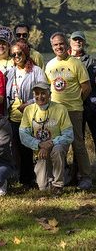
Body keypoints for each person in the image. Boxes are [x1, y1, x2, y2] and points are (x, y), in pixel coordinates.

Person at [45, 32, 92, 190]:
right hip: (56, 112)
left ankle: (85, 177)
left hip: (74, 110)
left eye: (61, 44)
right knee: (58, 145)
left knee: (78, 144)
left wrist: (77, 100)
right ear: (52, 47)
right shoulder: (50, 65)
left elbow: (86, 87)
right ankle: (61, 176)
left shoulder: (76, 63)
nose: (59, 47)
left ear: (66, 44)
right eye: (55, 45)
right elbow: (47, 89)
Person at [19, 82, 74, 194]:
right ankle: (54, 176)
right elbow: (23, 135)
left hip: (55, 147)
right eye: (37, 94)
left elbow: (69, 135)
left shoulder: (60, 109)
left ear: (50, 94)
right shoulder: (28, 110)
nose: (40, 97)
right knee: (43, 187)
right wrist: (39, 144)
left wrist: (50, 143)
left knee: (58, 149)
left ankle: (58, 184)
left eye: (43, 93)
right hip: (39, 150)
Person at [5, 41, 45, 186]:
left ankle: (32, 179)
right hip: (13, 116)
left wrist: (28, 103)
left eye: (19, 53)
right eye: (13, 54)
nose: (16, 56)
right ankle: (21, 178)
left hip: (31, 116)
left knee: (29, 147)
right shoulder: (10, 72)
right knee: (17, 148)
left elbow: (44, 91)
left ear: (26, 53)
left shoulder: (36, 71)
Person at [68, 31, 96, 152]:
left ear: (84, 42)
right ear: (70, 42)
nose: (77, 42)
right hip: (74, 106)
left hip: (91, 105)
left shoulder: (92, 61)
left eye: (80, 40)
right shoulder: (65, 61)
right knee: (77, 140)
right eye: (75, 39)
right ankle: (76, 167)